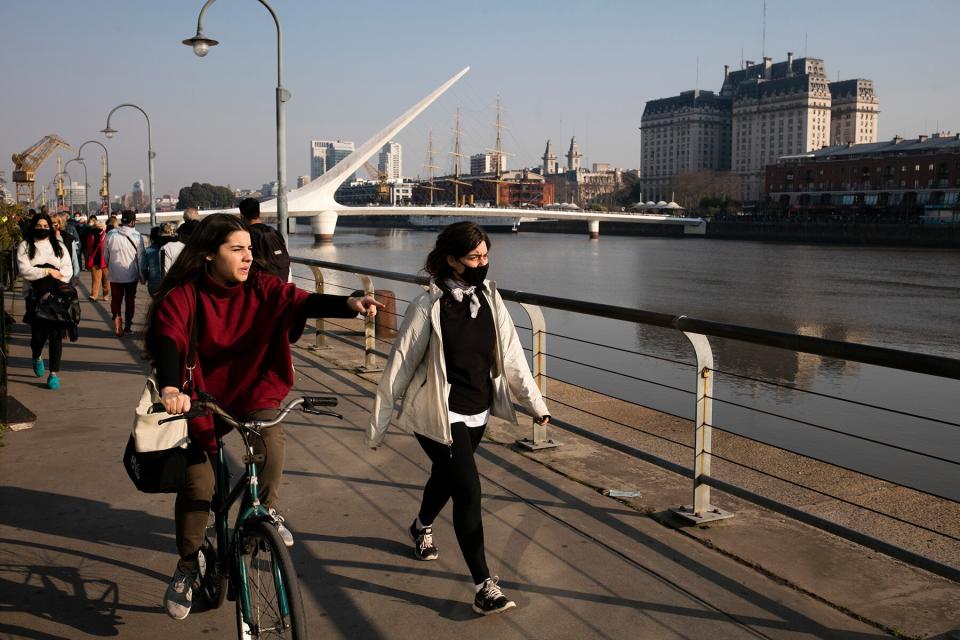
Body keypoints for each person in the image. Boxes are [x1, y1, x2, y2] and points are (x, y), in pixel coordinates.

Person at [146, 213, 383, 621]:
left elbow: (300, 300)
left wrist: (348, 304)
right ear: (207, 255)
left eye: (250, 251)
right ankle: (188, 564)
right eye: (236, 250)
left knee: (270, 441)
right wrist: (170, 388)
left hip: (255, 386)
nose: (247, 258)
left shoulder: (261, 285)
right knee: (199, 485)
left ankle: (264, 513)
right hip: (201, 396)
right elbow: (168, 337)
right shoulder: (184, 295)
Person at [368, 221, 550, 616]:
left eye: (486, 255)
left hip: (478, 409)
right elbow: (399, 367)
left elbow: (513, 356)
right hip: (438, 413)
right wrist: (379, 424)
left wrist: (535, 403)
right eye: (474, 257)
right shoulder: (428, 307)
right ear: (452, 260)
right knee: (468, 488)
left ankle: (420, 526)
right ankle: (484, 585)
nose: (483, 263)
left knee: (446, 478)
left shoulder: (490, 298)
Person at [16, 212, 74, 390]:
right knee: (38, 335)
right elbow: (25, 270)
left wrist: (58, 280)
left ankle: (54, 373)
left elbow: (68, 269)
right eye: (39, 226)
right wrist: (47, 272)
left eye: (45, 226)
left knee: (57, 336)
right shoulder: (25, 246)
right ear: (33, 226)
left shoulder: (59, 247)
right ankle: (37, 355)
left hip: (56, 297)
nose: (42, 229)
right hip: (35, 296)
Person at [104, 210, 143, 336]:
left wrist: (110, 265)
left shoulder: (110, 234)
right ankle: (128, 326)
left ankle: (117, 318)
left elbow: (105, 255)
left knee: (116, 300)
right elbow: (140, 258)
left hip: (115, 274)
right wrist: (142, 275)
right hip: (131, 274)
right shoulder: (137, 235)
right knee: (130, 300)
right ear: (132, 221)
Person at [238, 197, 290, 281]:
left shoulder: (247, 234)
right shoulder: (274, 232)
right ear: (259, 213)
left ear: (242, 216)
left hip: (263, 283)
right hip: (282, 281)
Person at [140, 223, 175, 297]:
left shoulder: (148, 251)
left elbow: (143, 268)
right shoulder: (171, 248)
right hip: (170, 283)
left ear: (151, 238)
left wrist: (144, 279)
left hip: (154, 284)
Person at [85, 215, 110, 302]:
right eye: (96, 226)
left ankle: (106, 294)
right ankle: (94, 295)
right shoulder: (91, 234)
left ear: (103, 227)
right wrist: (88, 257)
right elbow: (88, 247)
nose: (97, 227)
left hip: (105, 260)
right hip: (95, 258)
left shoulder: (107, 235)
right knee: (95, 279)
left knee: (106, 279)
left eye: (99, 226)